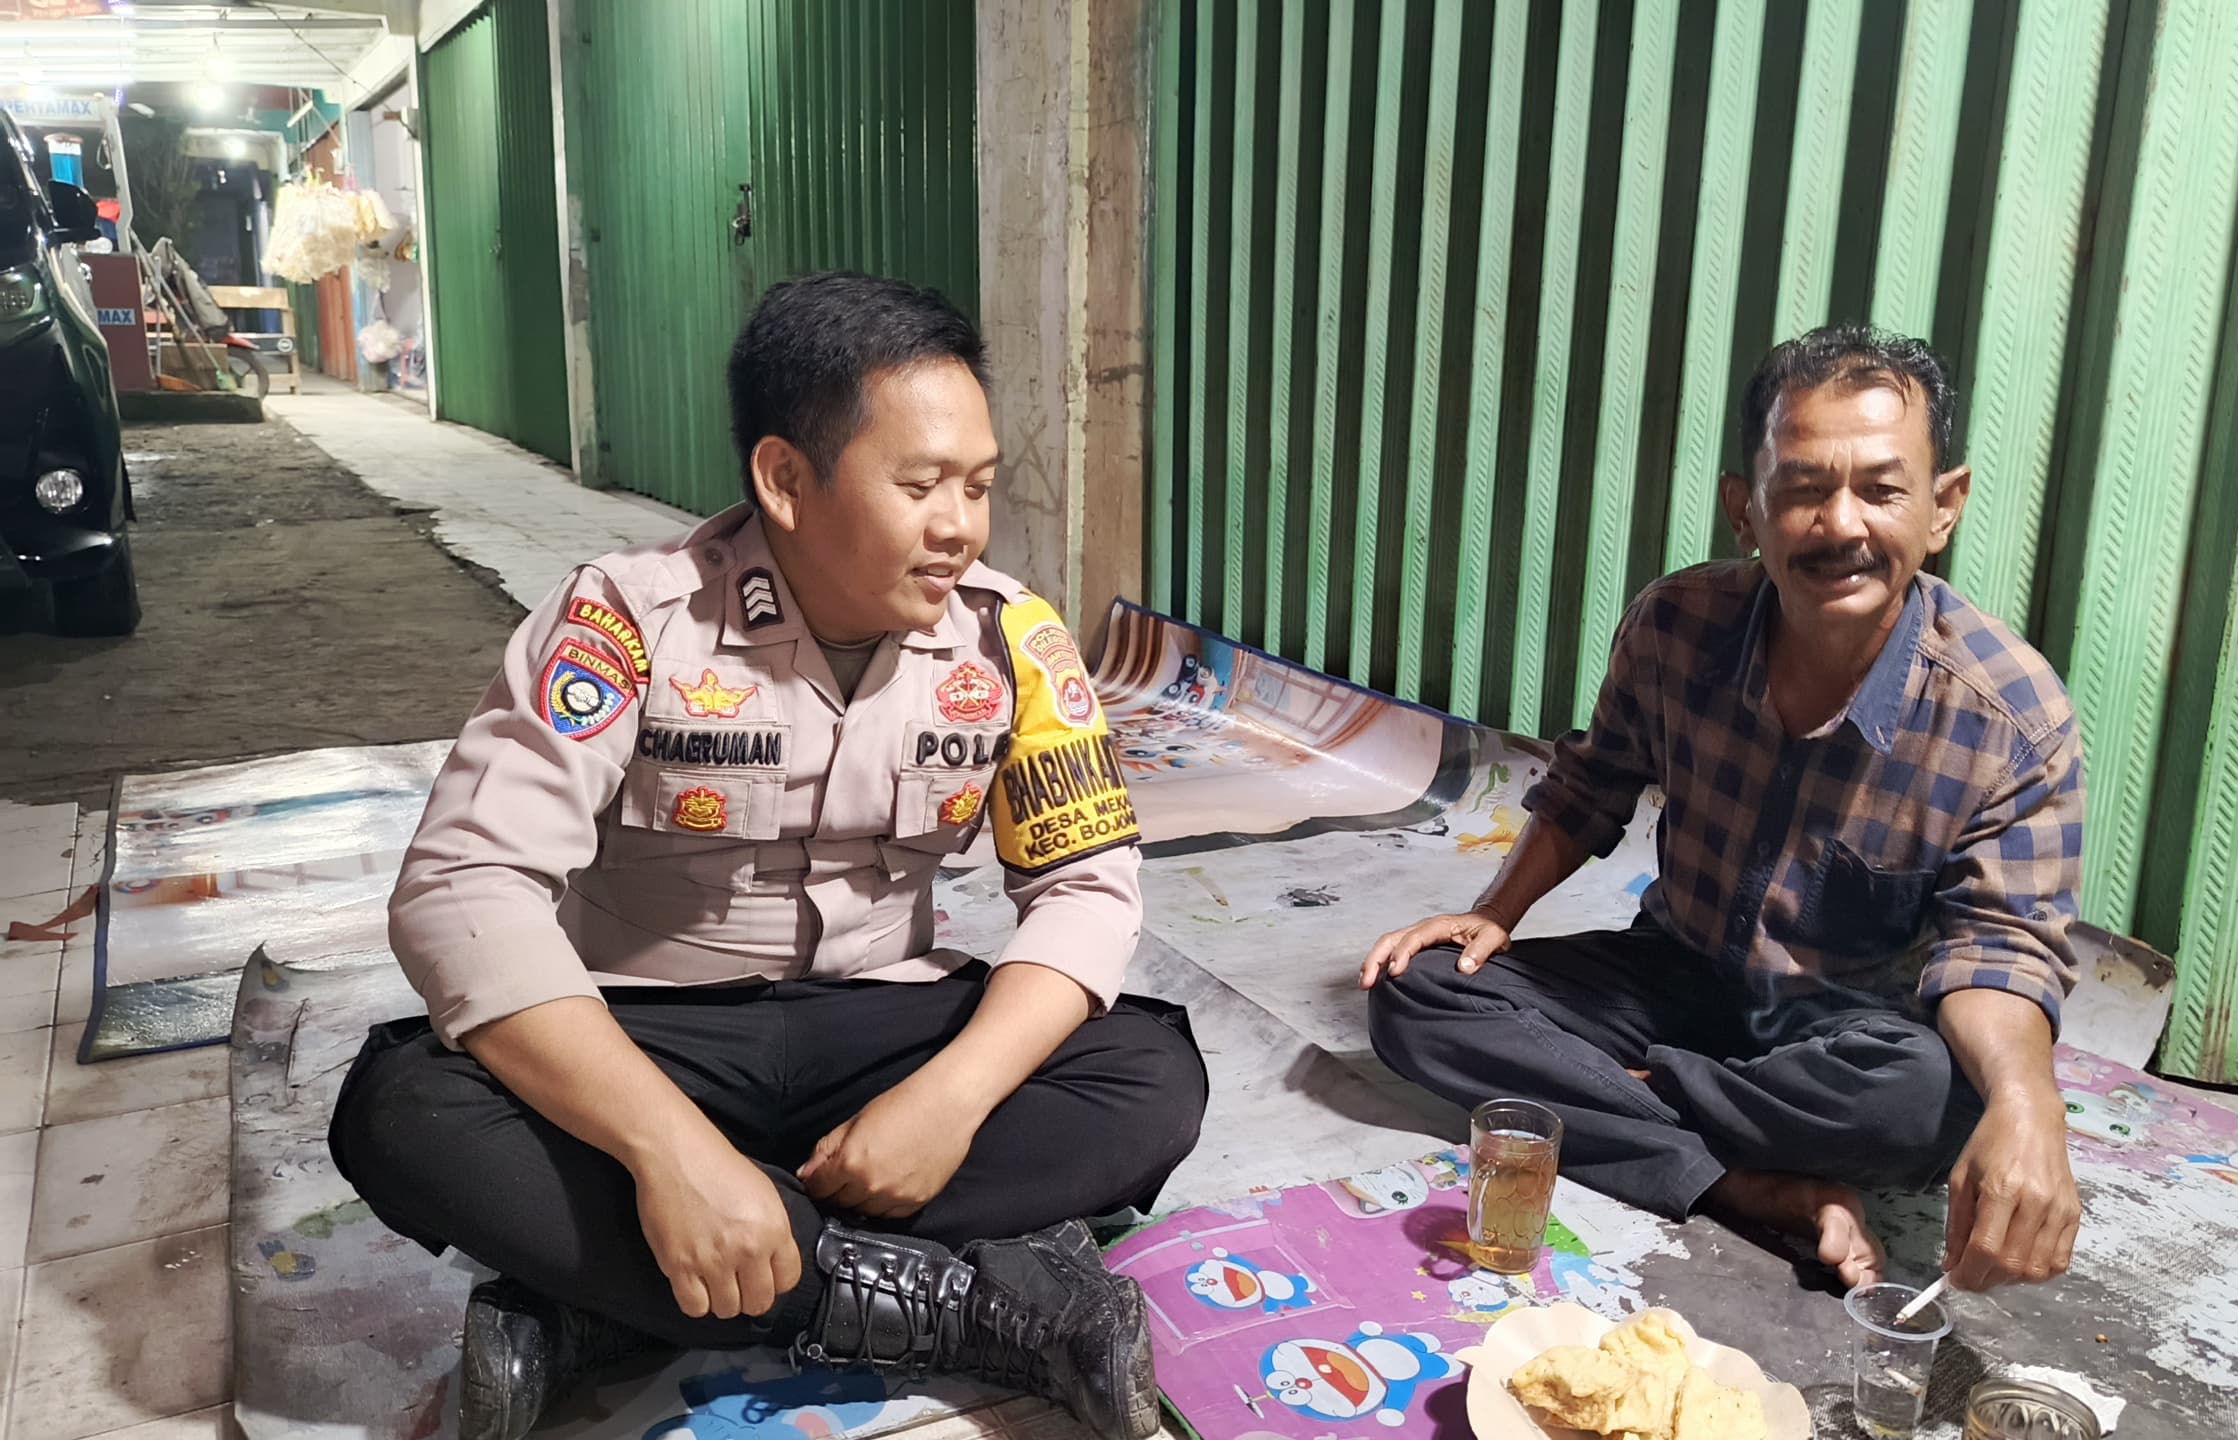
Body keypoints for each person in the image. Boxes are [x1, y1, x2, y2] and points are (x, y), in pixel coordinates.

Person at [329, 273, 1207, 1440]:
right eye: (921, 486)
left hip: (883, 1030)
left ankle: (615, 1303)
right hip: (654, 1033)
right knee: (405, 1110)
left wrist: (948, 1100)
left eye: (979, 485)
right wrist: (670, 1151)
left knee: (1149, 1075)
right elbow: (462, 887)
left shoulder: (1012, 643)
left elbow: (1086, 888)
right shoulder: (624, 624)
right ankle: (964, 1305)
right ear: (786, 479)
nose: (961, 526)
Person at [1362, 325, 2083, 1294]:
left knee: (1926, 1098)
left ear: (1941, 507)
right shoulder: (1676, 623)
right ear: (1746, 509)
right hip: (1676, 975)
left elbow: (2000, 950)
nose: (1840, 524)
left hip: (1844, 1037)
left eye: (1881, 490)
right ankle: (1741, 1181)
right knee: (1417, 990)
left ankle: (1622, 1103)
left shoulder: (2010, 716)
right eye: (1803, 488)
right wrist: (1494, 912)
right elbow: (1591, 784)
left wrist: (2030, 1106)